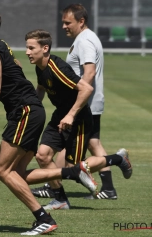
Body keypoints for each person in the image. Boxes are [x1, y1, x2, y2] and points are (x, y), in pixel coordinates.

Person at [0, 7, 99, 236]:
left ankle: (43, 217)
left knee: (2, 171)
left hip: (23, 112)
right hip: (34, 110)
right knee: (18, 174)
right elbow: (15, 70)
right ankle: (73, 172)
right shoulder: (1, 45)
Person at [25, 29, 132, 210]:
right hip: (60, 115)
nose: (27, 52)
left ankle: (118, 159)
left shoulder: (58, 68)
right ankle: (60, 200)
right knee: (42, 155)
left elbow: (86, 89)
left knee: (73, 167)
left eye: (31, 48)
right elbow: (41, 88)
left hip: (79, 118)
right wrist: (32, 109)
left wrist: (71, 114)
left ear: (44, 48)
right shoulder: (40, 67)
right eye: (27, 48)